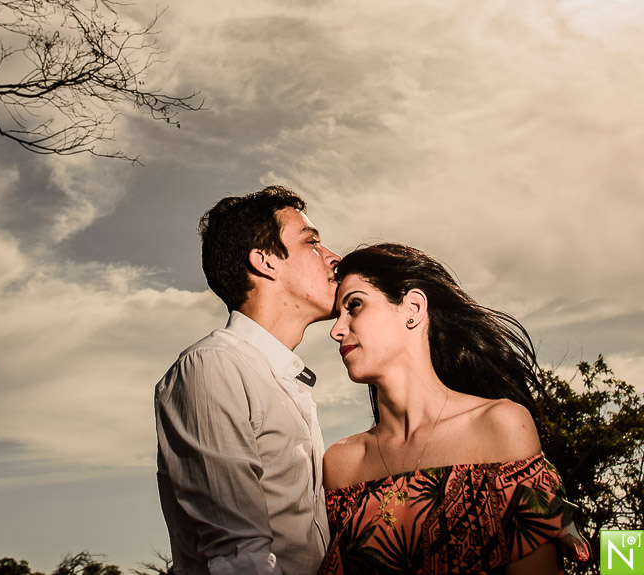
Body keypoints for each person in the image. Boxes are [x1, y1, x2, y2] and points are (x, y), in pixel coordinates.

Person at [320, 243, 589, 574]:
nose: (336, 330)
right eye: (338, 315)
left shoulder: (498, 426)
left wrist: (629, 562)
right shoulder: (342, 463)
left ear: (413, 308)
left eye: (355, 306)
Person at [156, 186, 340, 575]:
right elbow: (239, 559)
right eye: (313, 243)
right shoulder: (213, 367)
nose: (333, 258)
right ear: (265, 261)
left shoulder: (287, 380)